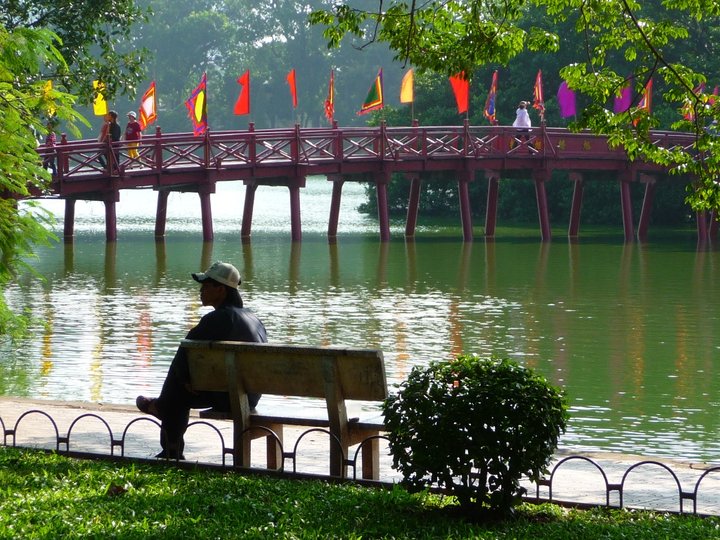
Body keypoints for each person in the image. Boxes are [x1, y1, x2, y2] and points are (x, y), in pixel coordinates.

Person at [136, 261, 267, 459]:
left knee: (177, 389)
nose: (201, 290)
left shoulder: (218, 318)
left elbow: (186, 349)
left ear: (221, 289)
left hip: (228, 397)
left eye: (206, 285)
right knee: (181, 383)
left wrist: (184, 378)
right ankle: (164, 407)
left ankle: (170, 445)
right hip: (250, 397)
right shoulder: (255, 319)